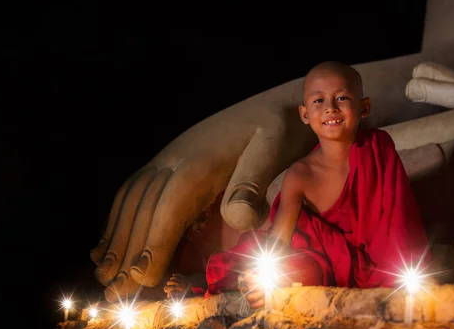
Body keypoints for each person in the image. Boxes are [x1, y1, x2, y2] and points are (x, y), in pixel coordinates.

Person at [164, 61, 431, 308]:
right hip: (320, 255)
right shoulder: (300, 174)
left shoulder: (378, 148)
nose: (331, 108)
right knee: (283, 269)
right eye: (318, 100)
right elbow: (279, 242)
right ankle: (199, 283)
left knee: (400, 273)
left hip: (372, 260)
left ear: (364, 107)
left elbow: (400, 222)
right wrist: (264, 277)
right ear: (304, 114)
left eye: (342, 98)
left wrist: (403, 274)